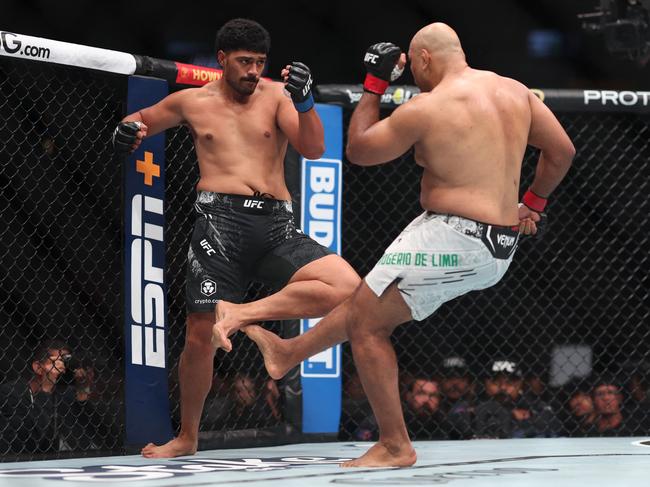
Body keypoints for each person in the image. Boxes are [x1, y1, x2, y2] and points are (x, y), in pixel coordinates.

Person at [245, 22, 574, 466]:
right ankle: (288, 354)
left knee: (367, 326)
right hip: (496, 245)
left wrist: (375, 85)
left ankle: (395, 444)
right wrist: (531, 204)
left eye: (414, 67)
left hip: (451, 235)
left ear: (423, 60)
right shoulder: (515, 92)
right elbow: (562, 151)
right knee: (366, 303)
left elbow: (359, 149)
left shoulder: (429, 107)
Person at [113, 18, 360, 458]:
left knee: (348, 289)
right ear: (223, 59)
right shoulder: (192, 101)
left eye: (260, 63)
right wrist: (127, 130)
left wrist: (304, 103)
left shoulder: (278, 98)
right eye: (245, 61)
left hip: (276, 224)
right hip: (219, 225)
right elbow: (142, 120)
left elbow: (314, 149)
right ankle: (187, 437)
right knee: (199, 335)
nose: (252, 71)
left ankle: (243, 313)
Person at [473, 359, 560, 439]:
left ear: (520, 383)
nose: (503, 387)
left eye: (510, 382)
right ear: (486, 383)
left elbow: (553, 423)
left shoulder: (533, 405)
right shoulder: (473, 402)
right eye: (496, 381)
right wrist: (511, 415)